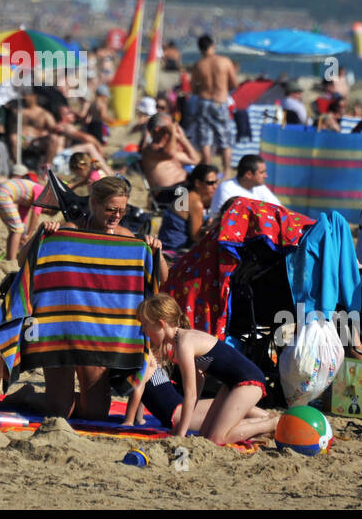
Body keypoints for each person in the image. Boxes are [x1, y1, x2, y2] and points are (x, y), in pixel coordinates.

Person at [31, 176, 169, 419]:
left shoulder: (125, 237)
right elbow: (25, 262)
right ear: (93, 203)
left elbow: (162, 277)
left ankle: (50, 398)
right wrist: (42, 234)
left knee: (95, 413)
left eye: (122, 211)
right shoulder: (70, 231)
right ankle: (26, 395)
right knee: (58, 411)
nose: (116, 216)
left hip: (97, 331)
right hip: (62, 327)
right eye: (110, 210)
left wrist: (156, 251)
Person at [136, 293, 276, 444]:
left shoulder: (184, 343)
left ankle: (272, 423)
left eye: (145, 325)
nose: (143, 331)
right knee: (204, 435)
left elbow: (190, 394)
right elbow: (198, 381)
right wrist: (181, 426)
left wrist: (181, 434)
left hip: (249, 381)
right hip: (231, 384)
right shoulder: (180, 341)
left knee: (216, 439)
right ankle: (262, 429)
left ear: (161, 324)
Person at [188, 35, 238, 176]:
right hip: (219, 101)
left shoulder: (199, 65)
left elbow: (193, 88)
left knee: (205, 139)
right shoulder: (224, 61)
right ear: (212, 45)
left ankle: (207, 170)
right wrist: (222, 88)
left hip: (203, 101)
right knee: (225, 139)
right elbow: (234, 83)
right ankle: (226, 171)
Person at [158, 163, 218, 252]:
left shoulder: (189, 195)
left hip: (166, 243)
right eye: (210, 183)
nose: (215, 186)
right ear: (198, 183)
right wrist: (210, 228)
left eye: (216, 182)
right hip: (174, 249)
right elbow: (196, 238)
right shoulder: (195, 203)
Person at [0, 166, 45, 261]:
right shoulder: (41, 191)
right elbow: (35, 214)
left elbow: (22, 219)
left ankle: (9, 257)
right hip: (3, 194)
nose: (44, 210)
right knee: (17, 230)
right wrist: (29, 235)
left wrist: (23, 236)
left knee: (16, 229)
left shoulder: (27, 197)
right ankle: (11, 259)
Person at [139, 112, 200, 192]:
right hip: (167, 192)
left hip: (182, 187)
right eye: (168, 127)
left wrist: (182, 138)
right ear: (158, 129)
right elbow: (170, 154)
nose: (173, 129)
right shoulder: (149, 150)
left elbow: (195, 160)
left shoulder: (167, 150)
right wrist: (172, 134)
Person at [210, 154, 280, 212]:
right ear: (248, 174)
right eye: (262, 172)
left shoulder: (261, 188)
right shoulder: (226, 189)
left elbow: (279, 209)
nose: (266, 176)